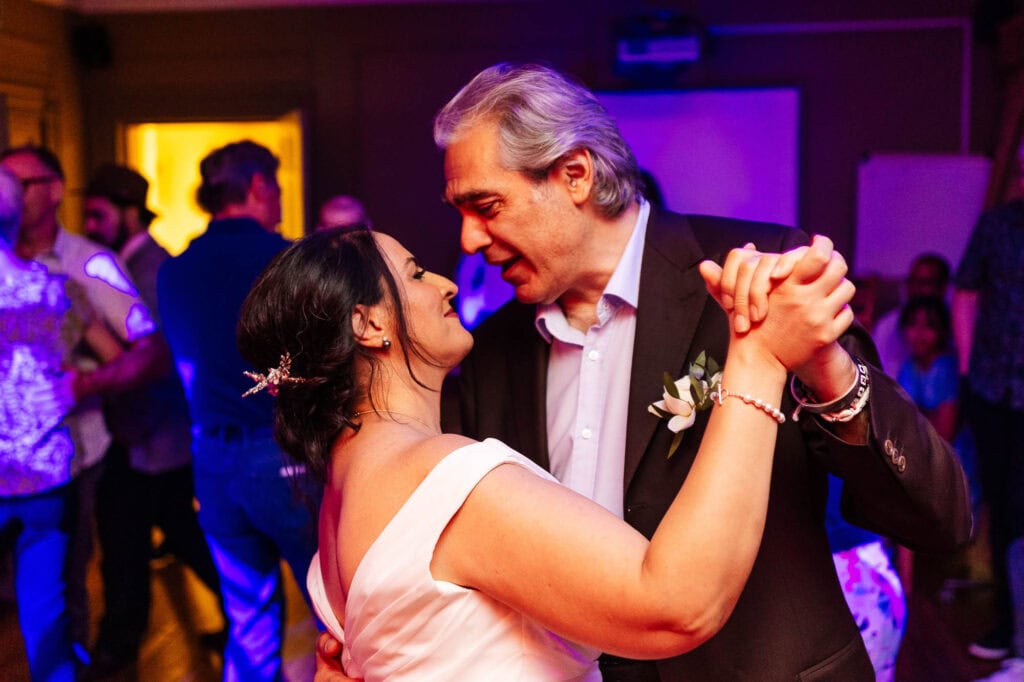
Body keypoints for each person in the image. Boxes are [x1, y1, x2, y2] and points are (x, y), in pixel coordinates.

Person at [435, 62, 971, 681]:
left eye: (486, 206)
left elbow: (941, 516)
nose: (469, 240)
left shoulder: (759, 276)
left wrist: (824, 367)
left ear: (575, 175)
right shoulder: (490, 353)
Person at [240, 225, 854, 680]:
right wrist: (759, 358)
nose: (449, 282)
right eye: (417, 273)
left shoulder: (340, 497)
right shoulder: (444, 485)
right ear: (368, 325)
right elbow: (674, 606)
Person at [157, 140, 321, 681]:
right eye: (273, 187)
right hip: (279, 451)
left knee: (247, 617)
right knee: (334, 606)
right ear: (256, 188)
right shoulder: (286, 258)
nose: (276, 199)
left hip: (210, 457)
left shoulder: (174, 270)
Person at [0, 145, 171, 657]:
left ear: (52, 190)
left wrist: (84, 385)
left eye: (18, 181)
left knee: (60, 594)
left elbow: (148, 349)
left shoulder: (87, 266)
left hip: (73, 453)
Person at [81, 163, 226, 676]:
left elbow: (158, 356)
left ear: (126, 213)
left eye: (98, 214)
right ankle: (232, 610)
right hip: (146, 434)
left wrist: (92, 366)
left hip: (154, 432)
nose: (90, 225)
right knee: (173, 532)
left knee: (130, 543)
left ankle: (118, 647)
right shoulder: (121, 265)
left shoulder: (151, 268)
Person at [953, 143, 1024, 681]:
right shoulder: (997, 226)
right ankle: (1008, 625)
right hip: (996, 392)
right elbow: (966, 292)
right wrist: (969, 377)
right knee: (1006, 511)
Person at [873, 252, 952, 376]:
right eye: (912, 281)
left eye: (925, 282)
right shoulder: (887, 324)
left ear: (943, 287)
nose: (916, 288)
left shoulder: (958, 326)